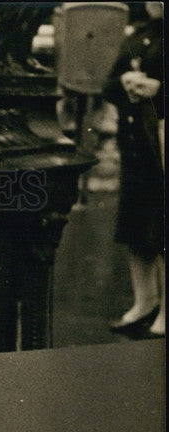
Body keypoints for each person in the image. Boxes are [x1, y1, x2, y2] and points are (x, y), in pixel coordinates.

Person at [103, 2, 164, 338]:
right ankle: (145, 302)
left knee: (161, 229)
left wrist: (160, 90)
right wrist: (125, 82)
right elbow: (107, 86)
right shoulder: (138, 33)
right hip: (137, 144)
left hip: (162, 145)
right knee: (134, 226)